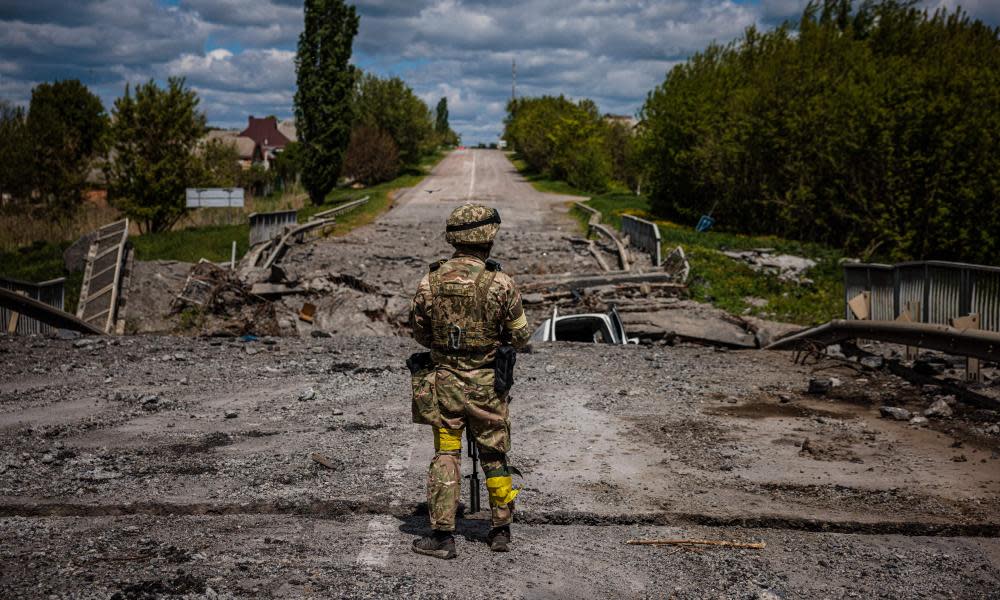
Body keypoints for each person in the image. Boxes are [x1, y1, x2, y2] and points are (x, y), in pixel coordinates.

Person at [408, 203, 531, 559]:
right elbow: (521, 337)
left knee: (446, 452)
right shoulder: (501, 283)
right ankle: (499, 530)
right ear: (488, 238)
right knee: (494, 454)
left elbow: (419, 332)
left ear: (454, 238)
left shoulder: (430, 280)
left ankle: (442, 536)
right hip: (488, 388)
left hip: (444, 384)